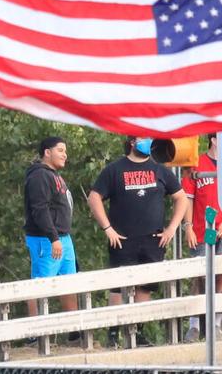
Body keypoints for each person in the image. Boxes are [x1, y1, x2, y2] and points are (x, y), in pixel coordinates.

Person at [87, 136, 188, 348]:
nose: (147, 141)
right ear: (132, 142)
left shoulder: (160, 170)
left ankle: (138, 332)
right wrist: (107, 229)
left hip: (153, 240)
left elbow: (181, 197)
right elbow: (94, 197)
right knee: (118, 287)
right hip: (122, 240)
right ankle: (113, 334)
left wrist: (172, 228)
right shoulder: (115, 169)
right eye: (143, 138)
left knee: (145, 287)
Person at [182, 132, 222, 342]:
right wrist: (188, 226)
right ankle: (194, 326)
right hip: (203, 226)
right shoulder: (197, 164)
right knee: (201, 275)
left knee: (221, 274)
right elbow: (187, 198)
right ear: (213, 140)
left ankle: (216, 325)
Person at [23, 137, 79, 342]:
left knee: (69, 282)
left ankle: (75, 330)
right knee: (40, 284)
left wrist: (61, 237)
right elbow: (40, 209)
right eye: (60, 150)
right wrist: (53, 237)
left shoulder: (54, 175)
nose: (65, 154)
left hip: (64, 238)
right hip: (46, 240)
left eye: (65, 151)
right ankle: (34, 333)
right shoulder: (39, 175)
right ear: (47, 152)